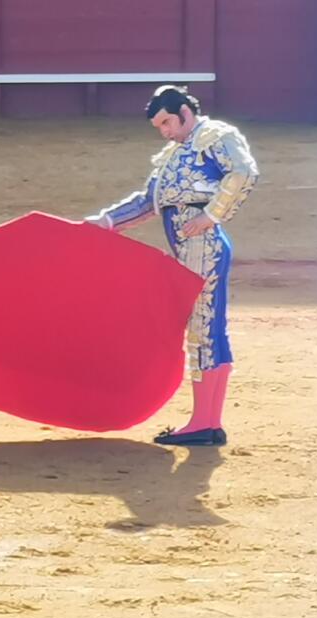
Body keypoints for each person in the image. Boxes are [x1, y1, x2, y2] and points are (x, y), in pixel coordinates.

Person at [86, 85, 259, 446]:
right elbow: (148, 202)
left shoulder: (216, 136)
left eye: (167, 123)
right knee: (206, 327)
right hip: (190, 249)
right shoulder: (173, 155)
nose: (165, 132)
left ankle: (205, 423)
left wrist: (210, 216)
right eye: (159, 127)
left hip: (203, 246)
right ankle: (207, 422)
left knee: (204, 328)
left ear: (185, 112)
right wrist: (104, 222)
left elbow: (243, 172)